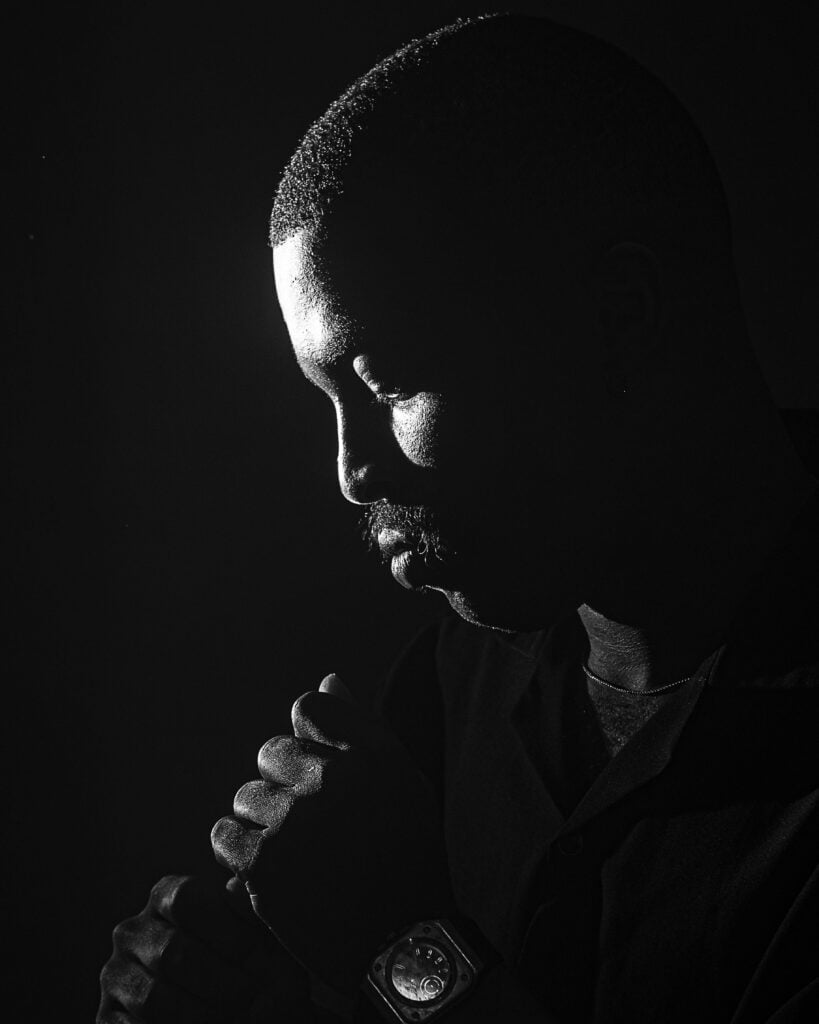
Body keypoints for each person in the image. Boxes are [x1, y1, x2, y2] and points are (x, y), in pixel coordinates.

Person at [98, 14, 819, 1023]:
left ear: (622, 321)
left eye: (387, 384)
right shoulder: (453, 690)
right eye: (326, 399)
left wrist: (404, 948)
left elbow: (405, 960)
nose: (350, 472)